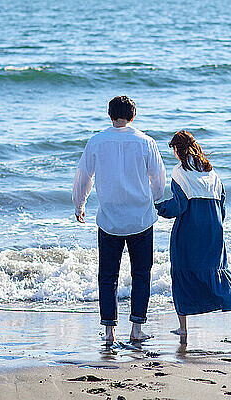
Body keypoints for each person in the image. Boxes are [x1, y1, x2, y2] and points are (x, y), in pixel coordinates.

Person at [72, 96, 166, 344]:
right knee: (141, 274)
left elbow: (84, 176)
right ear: (133, 116)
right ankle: (136, 329)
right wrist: (155, 200)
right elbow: (158, 179)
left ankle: (109, 332)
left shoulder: (97, 141)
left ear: (110, 115)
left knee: (107, 275)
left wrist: (79, 204)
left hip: (110, 219)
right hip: (141, 219)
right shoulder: (146, 142)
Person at [155, 130, 231, 340]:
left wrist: (158, 208)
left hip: (191, 227)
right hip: (214, 226)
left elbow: (179, 205)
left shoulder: (179, 171)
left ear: (176, 149)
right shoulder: (211, 172)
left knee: (182, 270)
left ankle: (183, 327)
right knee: (216, 269)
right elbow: (222, 204)